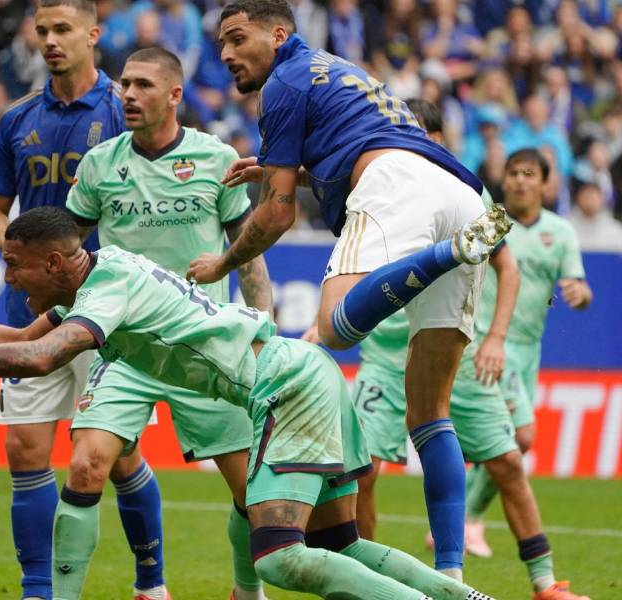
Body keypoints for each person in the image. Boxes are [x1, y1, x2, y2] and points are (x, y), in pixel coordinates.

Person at [0, 206, 498, 600]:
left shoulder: (108, 287)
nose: (8, 278)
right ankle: (461, 597)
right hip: (306, 375)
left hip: (286, 388)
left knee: (279, 558)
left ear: (56, 261)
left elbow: (39, 360)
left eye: (14, 266)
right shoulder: (100, 276)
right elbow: (17, 341)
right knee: (340, 546)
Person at [185, 0, 510, 580]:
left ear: (278, 34)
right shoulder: (335, 66)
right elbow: (354, 146)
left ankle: (446, 254)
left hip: (395, 185)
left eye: (237, 38)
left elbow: (276, 215)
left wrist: (223, 263)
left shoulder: (283, 83)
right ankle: (452, 579)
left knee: (334, 328)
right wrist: (288, 169)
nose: (227, 54)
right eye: (221, 45)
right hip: (460, 193)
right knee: (431, 414)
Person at [353, 102, 591, 600]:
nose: (400, 143)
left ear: (437, 138)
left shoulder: (466, 190)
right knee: (363, 472)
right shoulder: (376, 184)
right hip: (387, 353)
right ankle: (367, 586)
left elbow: (506, 266)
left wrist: (495, 339)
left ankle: (545, 583)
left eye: (414, 133)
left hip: (451, 352)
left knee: (508, 461)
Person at [64, 47, 272, 600]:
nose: (129, 95)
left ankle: (246, 591)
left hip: (205, 349)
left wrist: (264, 332)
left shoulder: (216, 158)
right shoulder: (99, 165)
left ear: (175, 94)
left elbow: (248, 256)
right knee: (85, 466)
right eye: (125, 85)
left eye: (144, 85)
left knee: (253, 496)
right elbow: (66, 254)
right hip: (126, 350)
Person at [0, 1, 164, 598]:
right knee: (24, 448)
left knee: (113, 455)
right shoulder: (17, 118)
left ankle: (150, 580)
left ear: (93, 34)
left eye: (62, 29)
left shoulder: (123, 109)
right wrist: (24, 262)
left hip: (106, 314)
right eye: (42, 31)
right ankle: (38, 590)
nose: (50, 41)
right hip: (32, 311)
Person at [463, 148, 592, 570]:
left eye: (529, 173)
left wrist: (579, 294)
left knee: (508, 441)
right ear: (504, 180)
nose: (520, 180)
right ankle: (468, 519)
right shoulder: (491, 221)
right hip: (487, 342)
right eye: (513, 173)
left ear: (544, 183)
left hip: (527, 350)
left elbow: (579, 287)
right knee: (520, 437)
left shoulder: (561, 231)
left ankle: (463, 520)